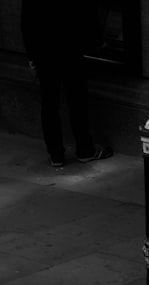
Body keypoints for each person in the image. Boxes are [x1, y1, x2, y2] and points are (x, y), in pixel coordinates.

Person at [20, 0, 112, 168]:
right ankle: (85, 150)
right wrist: (97, 41)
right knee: (77, 99)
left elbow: (27, 21)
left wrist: (32, 54)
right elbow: (86, 12)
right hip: (71, 46)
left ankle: (56, 154)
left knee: (49, 103)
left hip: (44, 49)